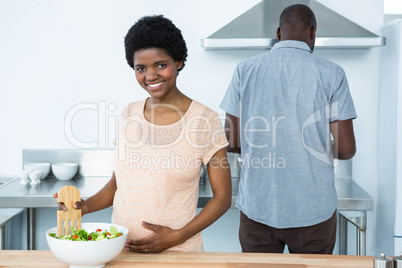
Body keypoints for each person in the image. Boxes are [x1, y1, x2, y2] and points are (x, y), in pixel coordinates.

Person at [55, 15, 231, 253]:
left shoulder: (205, 120)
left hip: (179, 256)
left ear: (178, 62)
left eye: (160, 65)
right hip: (120, 251)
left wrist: (176, 237)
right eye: (141, 68)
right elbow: (119, 184)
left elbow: (222, 198)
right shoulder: (129, 114)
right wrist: (84, 207)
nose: (150, 76)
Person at [220, 4, 356, 254]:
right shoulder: (332, 73)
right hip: (314, 212)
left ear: (279, 33)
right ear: (313, 31)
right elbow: (346, 150)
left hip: (258, 210)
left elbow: (232, 141)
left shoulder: (245, 70)